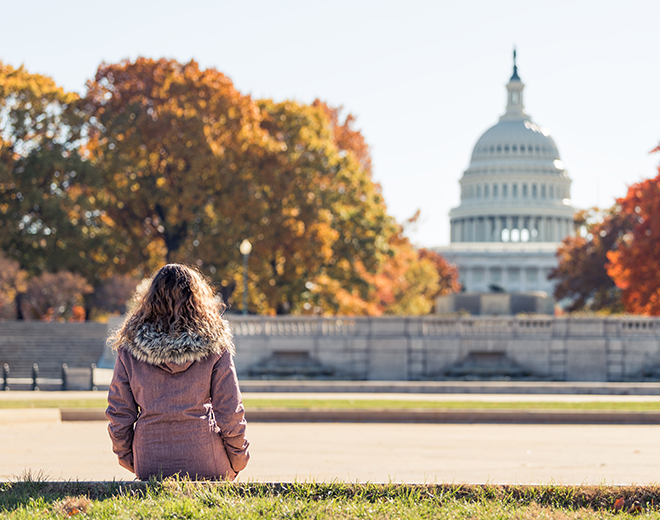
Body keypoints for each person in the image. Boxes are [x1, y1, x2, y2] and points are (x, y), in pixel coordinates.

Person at [106, 263, 249, 480]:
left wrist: (128, 456)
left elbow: (119, 412)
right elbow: (230, 410)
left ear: (150, 299)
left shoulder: (129, 349)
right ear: (197, 299)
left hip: (149, 458)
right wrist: (239, 459)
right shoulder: (215, 346)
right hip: (206, 457)